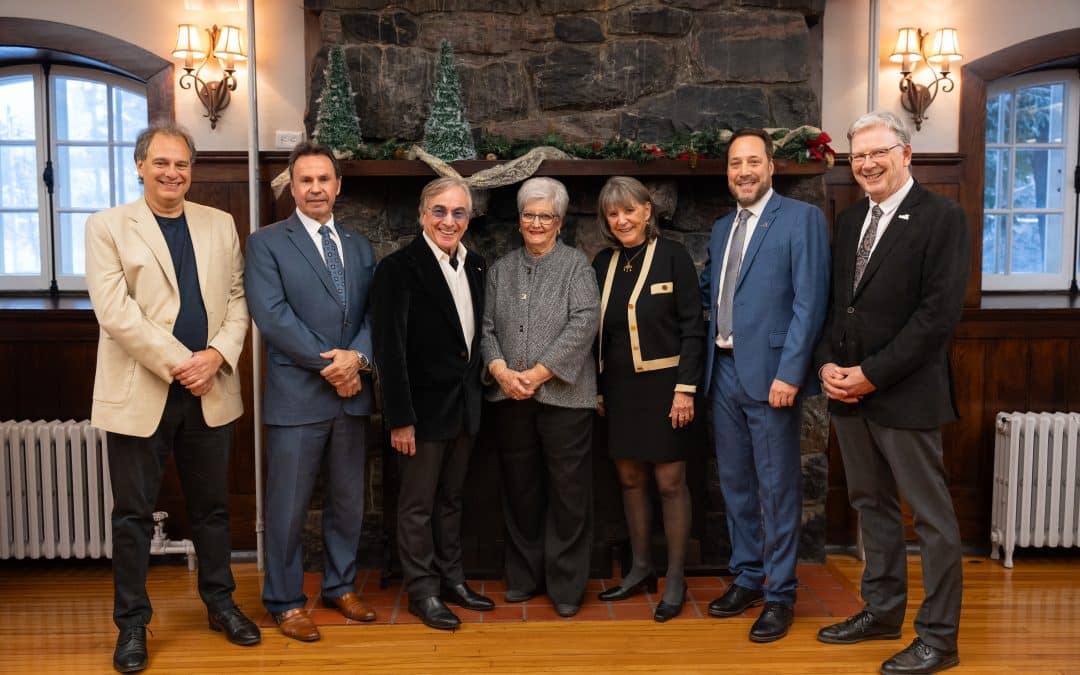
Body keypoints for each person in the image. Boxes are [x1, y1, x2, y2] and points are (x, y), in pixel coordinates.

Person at [85, 123, 259, 673]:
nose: (172, 173)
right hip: (143, 391)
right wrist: (182, 363)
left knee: (212, 509)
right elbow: (116, 314)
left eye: (181, 164)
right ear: (140, 166)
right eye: (161, 163)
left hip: (210, 388)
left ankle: (220, 603)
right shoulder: (107, 227)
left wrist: (216, 356)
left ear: (192, 170)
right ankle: (132, 625)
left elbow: (238, 298)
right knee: (133, 516)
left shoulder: (220, 223)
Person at [815, 111, 968, 675]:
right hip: (849, 396)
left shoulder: (941, 218)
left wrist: (872, 374)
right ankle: (881, 612)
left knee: (930, 520)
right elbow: (839, 306)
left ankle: (939, 638)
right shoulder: (851, 219)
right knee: (869, 507)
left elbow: (936, 318)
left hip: (904, 394)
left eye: (879, 152)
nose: (868, 163)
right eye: (858, 156)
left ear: (907, 154)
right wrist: (828, 365)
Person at [699, 127, 830, 643]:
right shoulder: (718, 228)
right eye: (735, 163)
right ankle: (749, 577)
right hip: (723, 369)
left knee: (776, 489)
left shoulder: (802, 219)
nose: (744, 171)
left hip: (772, 375)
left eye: (753, 161)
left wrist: (790, 373)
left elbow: (809, 303)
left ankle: (780, 594)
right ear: (728, 172)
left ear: (771, 167)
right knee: (734, 483)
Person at [244, 142, 377, 642]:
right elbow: (273, 317)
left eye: (325, 179)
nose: (316, 188)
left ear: (338, 186)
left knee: (348, 501)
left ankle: (340, 586)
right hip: (298, 396)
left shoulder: (360, 246)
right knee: (288, 507)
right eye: (306, 180)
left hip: (352, 395)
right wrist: (334, 364)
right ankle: (285, 601)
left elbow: (372, 316)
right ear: (292, 187)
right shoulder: (266, 243)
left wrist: (357, 360)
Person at [371, 176, 494, 631]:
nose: (449, 221)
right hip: (419, 415)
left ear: (468, 218)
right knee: (417, 506)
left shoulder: (477, 266)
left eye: (458, 213)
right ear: (423, 215)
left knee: (451, 501)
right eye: (439, 211)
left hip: (465, 409)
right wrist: (399, 419)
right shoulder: (398, 269)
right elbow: (389, 351)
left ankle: (453, 580)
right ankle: (422, 591)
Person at [480, 177, 601, 618]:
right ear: (519, 220)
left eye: (545, 216)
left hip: (566, 400)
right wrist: (499, 370)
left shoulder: (576, 268)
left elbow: (584, 324)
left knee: (568, 494)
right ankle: (524, 577)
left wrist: (536, 373)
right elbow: (486, 329)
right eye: (529, 215)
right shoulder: (500, 270)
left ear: (559, 221)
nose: (536, 223)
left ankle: (566, 585)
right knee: (520, 490)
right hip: (509, 398)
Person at [590, 176, 703, 622]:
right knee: (631, 479)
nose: (621, 220)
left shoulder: (674, 257)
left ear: (647, 210)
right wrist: (598, 388)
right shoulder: (602, 263)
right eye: (612, 214)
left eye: (628, 210)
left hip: (667, 390)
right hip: (618, 392)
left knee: (670, 483)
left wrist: (685, 390)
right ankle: (640, 568)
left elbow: (694, 326)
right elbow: (595, 333)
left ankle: (675, 576)